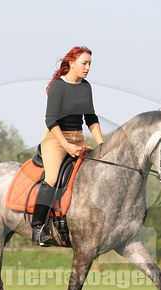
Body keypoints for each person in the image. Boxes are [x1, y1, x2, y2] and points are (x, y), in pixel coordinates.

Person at [31, 46, 104, 245]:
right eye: (84, 63)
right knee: (53, 178)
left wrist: (102, 145)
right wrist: (67, 146)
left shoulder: (85, 86)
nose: (88, 68)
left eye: (90, 64)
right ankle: (38, 228)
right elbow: (51, 121)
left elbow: (91, 118)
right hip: (56, 139)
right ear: (71, 63)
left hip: (78, 138)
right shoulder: (57, 87)